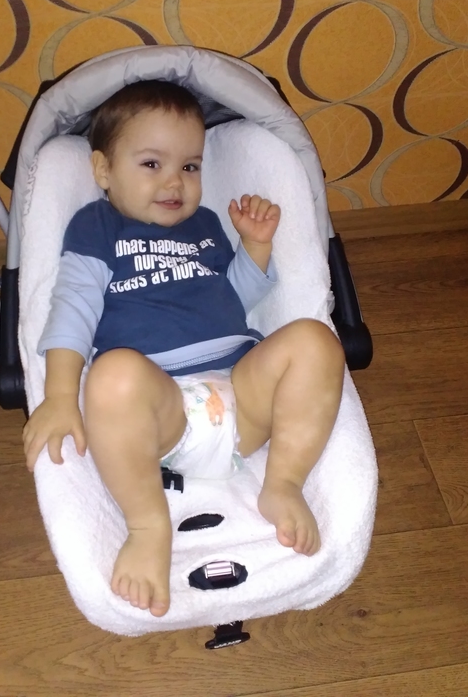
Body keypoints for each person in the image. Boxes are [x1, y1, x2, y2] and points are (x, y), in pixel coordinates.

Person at [23, 80, 345, 618]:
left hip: (242, 393)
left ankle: (284, 482)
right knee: (113, 375)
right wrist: (59, 396)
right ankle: (149, 526)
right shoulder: (95, 228)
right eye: (152, 164)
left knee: (315, 340)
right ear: (103, 170)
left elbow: (232, 298)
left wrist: (255, 246)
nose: (175, 181)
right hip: (159, 410)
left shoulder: (206, 224)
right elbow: (73, 310)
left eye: (190, 166)